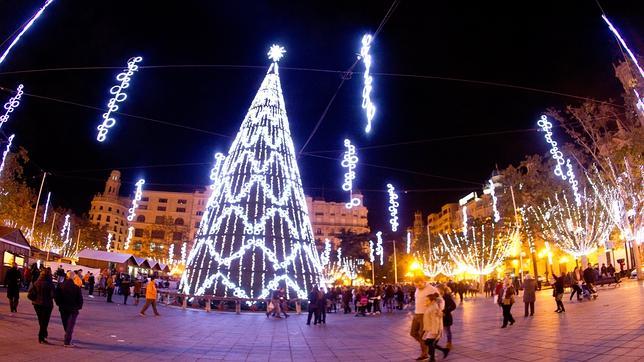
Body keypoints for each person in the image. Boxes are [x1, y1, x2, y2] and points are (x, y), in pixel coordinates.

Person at [411, 276, 440, 360]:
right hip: (417, 313)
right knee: (413, 333)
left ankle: (424, 353)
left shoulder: (431, 289)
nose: (418, 285)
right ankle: (427, 344)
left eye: (420, 283)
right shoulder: (417, 289)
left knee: (422, 334)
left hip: (425, 315)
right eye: (416, 284)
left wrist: (439, 310)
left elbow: (440, 300)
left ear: (424, 281)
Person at [55, 271, 83, 347]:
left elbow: (56, 297)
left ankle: (67, 336)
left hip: (63, 307)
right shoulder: (76, 287)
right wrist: (78, 307)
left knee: (66, 323)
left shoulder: (60, 286)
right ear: (74, 277)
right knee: (70, 325)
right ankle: (67, 341)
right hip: (73, 308)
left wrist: (59, 304)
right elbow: (80, 300)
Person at [28, 269, 55, 344]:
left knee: (41, 320)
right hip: (47, 305)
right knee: (45, 321)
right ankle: (41, 337)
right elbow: (53, 295)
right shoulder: (50, 284)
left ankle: (44, 333)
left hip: (37, 304)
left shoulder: (37, 282)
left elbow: (30, 293)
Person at [423, 292, 449, 362]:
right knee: (429, 343)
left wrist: (435, 331)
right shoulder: (431, 307)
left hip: (434, 329)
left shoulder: (433, 308)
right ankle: (443, 351)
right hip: (430, 328)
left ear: (433, 301)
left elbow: (435, 321)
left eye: (427, 300)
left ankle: (432, 358)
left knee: (428, 342)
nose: (425, 302)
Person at [438, 284, 456, 349]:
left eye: (438, 289)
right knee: (438, 331)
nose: (437, 291)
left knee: (447, 330)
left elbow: (453, 306)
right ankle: (434, 343)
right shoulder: (438, 297)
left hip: (446, 317)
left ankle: (449, 343)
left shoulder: (447, 297)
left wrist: (445, 311)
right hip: (439, 317)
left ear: (441, 290)